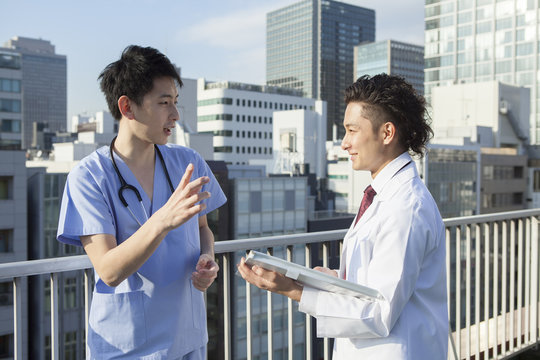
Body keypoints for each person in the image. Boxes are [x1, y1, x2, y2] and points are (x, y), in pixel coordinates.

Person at [238, 74, 448, 359]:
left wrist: (295, 291)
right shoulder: (384, 195)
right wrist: (333, 279)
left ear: (387, 133)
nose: (344, 143)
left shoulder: (405, 207)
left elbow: (379, 311)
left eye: (352, 130)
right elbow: (378, 283)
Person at [57, 45, 226, 359]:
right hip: (127, 347)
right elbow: (108, 270)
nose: (175, 115)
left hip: (187, 338)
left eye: (175, 103)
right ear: (127, 107)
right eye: (164, 103)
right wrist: (162, 221)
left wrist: (207, 258)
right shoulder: (88, 177)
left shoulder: (187, 162)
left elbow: (203, 228)